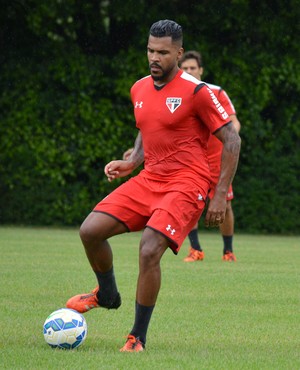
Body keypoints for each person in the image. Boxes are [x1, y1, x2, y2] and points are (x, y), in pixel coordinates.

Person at [66, 20, 241, 352]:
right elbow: (147, 127)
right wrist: (133, 162)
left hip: (188, 183)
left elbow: (232, 140)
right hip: (150, 178)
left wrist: (219, 194)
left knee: (149, 249)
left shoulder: (197, 92)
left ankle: (137, 336)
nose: (154, 58)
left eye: (162, 52)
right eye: (150, 50)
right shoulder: (139, 88)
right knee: (90, 230)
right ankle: (106, 294)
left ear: (178, 52)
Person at [179, 50, 241, 262]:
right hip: (190, 160)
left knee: (225, 204)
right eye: (184, 68)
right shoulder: (177, 94)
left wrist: (231, 140)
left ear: (201, 70)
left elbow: (234, 123)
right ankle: (196, 249)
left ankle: (228, 251)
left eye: (192, 68)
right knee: (188, 203)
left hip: (216, 160)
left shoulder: (216, 92)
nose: (188, 71)